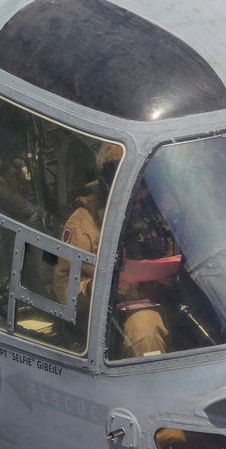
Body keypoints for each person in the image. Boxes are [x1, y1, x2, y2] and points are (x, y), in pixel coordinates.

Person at [53, 144, 171, 357]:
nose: (138, 193)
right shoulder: (83, 224)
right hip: (118, 315)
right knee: (145, 331)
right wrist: (107, 287)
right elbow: (63, 288)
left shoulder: (166, 206)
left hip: (171, 299)